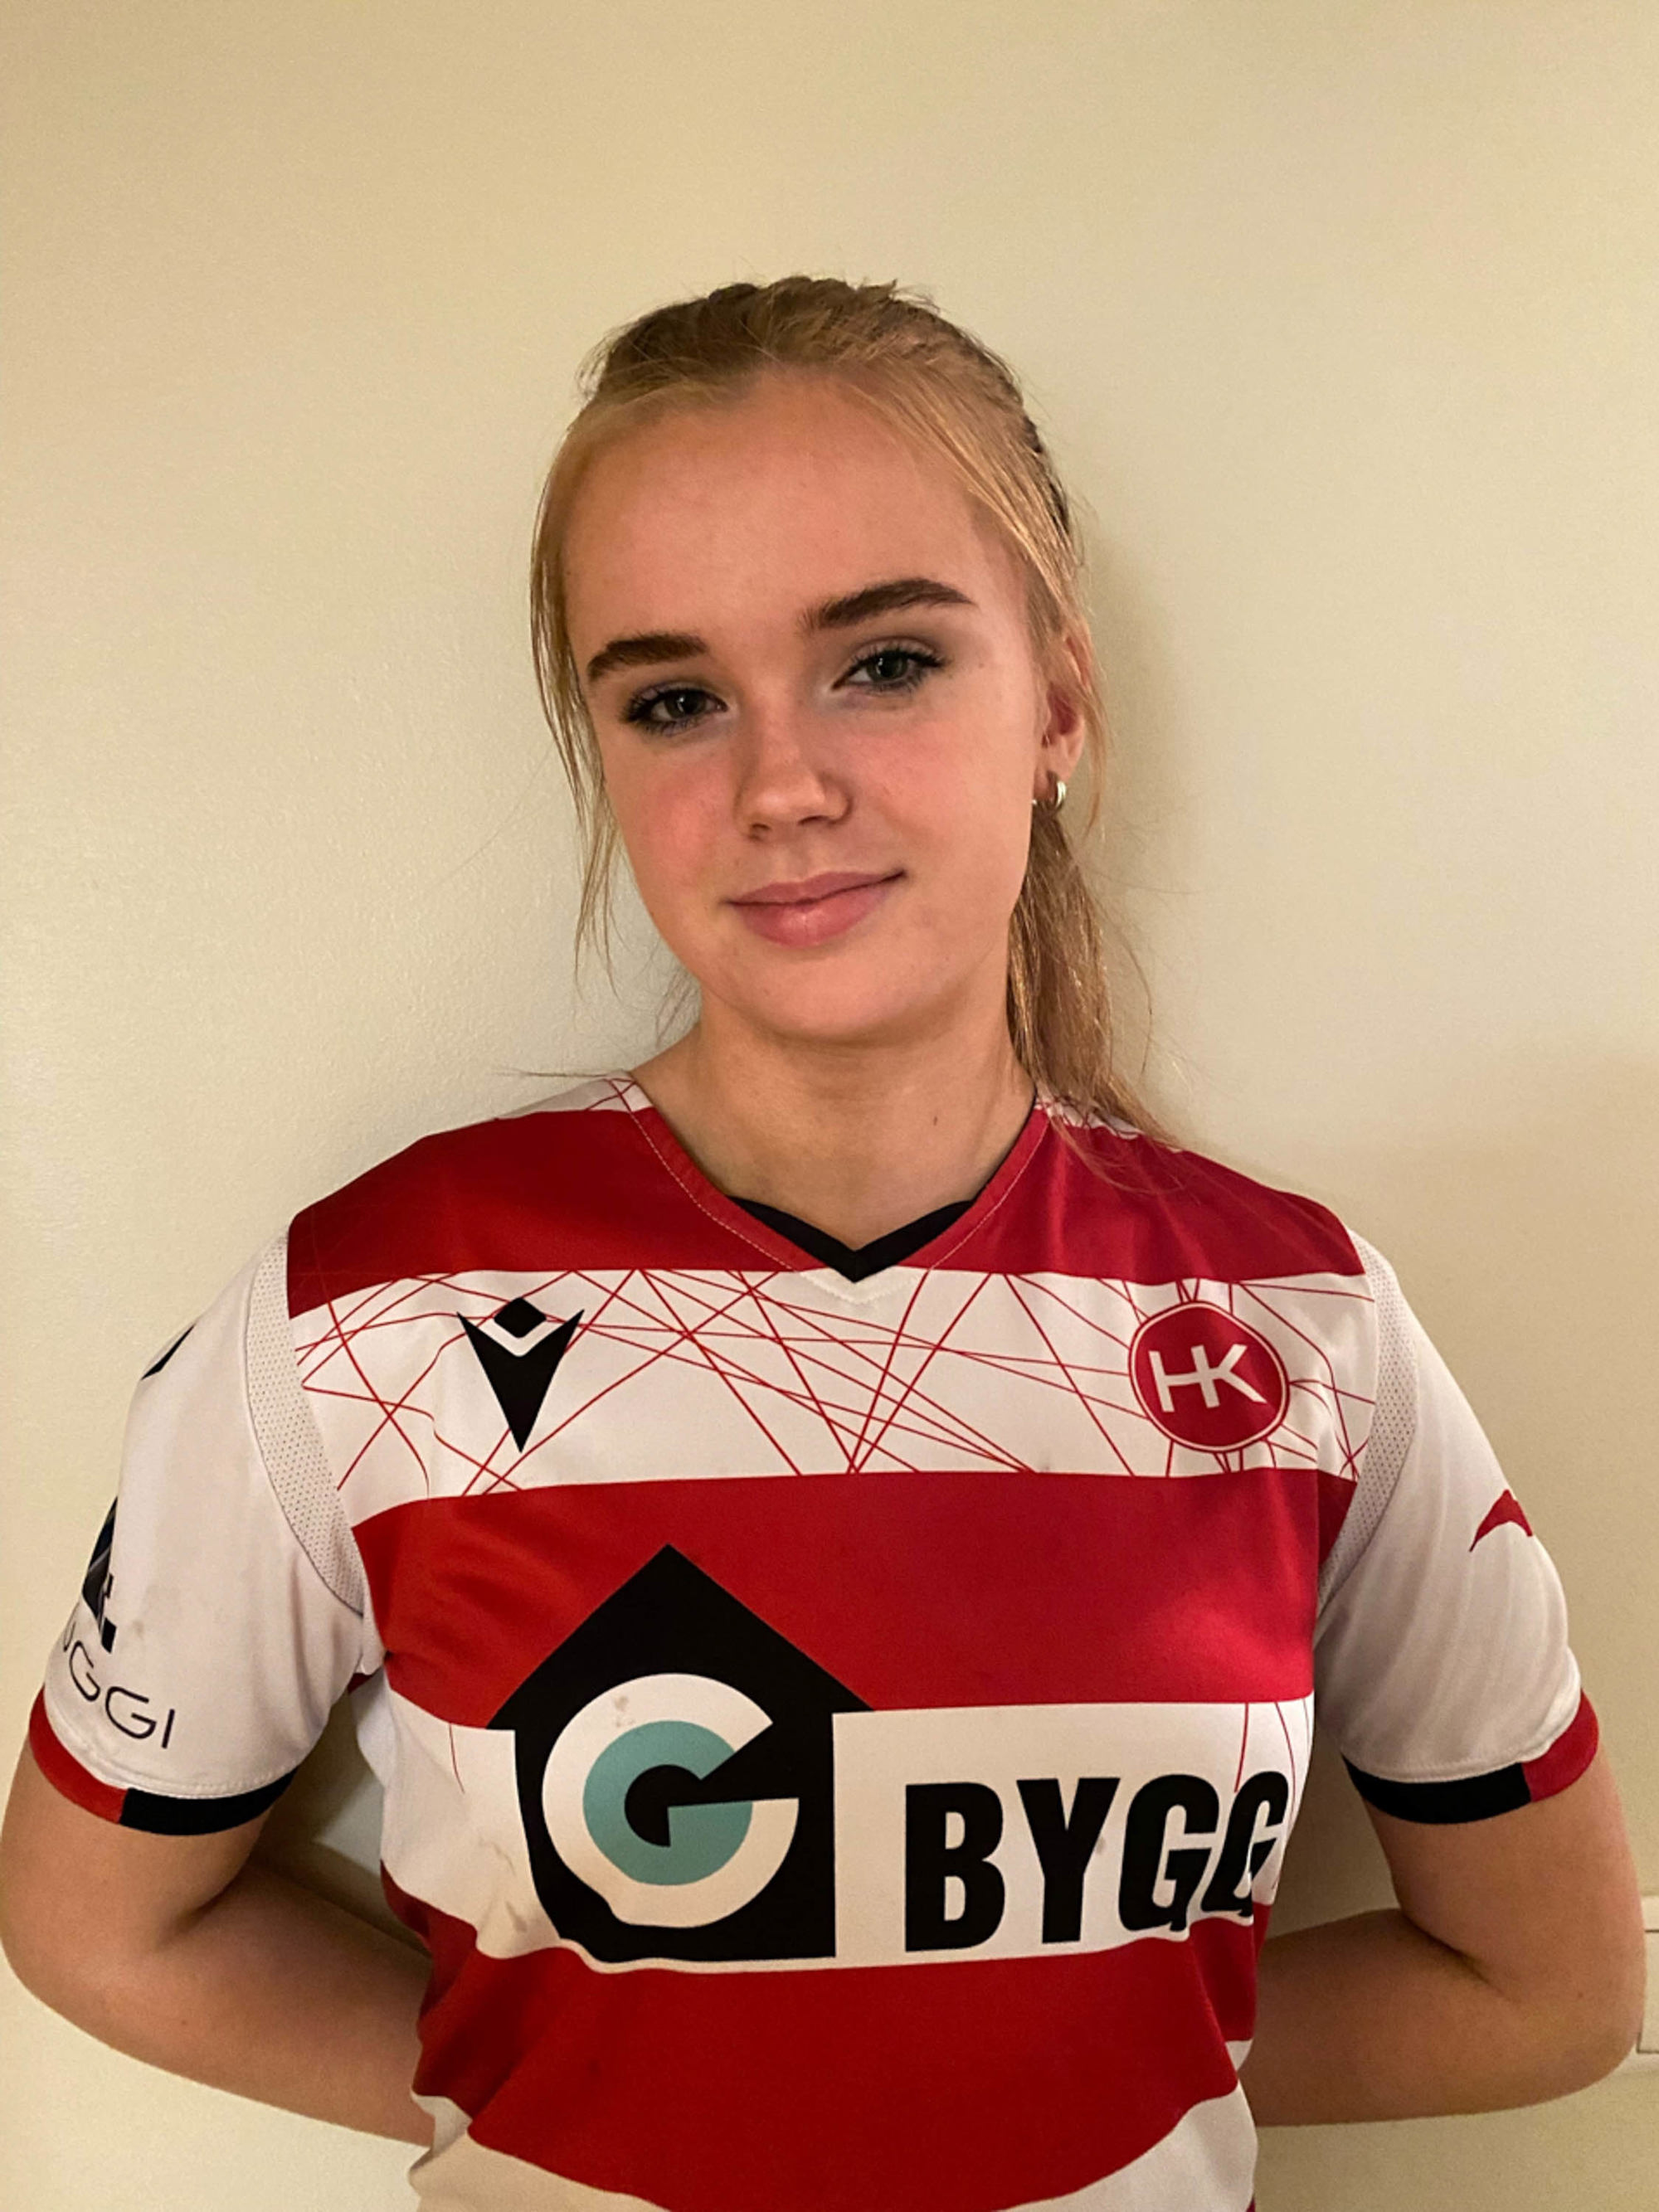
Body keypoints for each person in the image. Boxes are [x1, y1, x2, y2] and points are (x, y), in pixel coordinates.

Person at [0, 275, 1644, 2212]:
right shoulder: (365, 1314)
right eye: (673, 697)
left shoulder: (1297, 1323)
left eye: (885, 661)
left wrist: (1080, 2061)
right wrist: (539, 2095)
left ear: (1057, 701)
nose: (780, 784)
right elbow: (103, 1920)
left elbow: (1547, 1986)